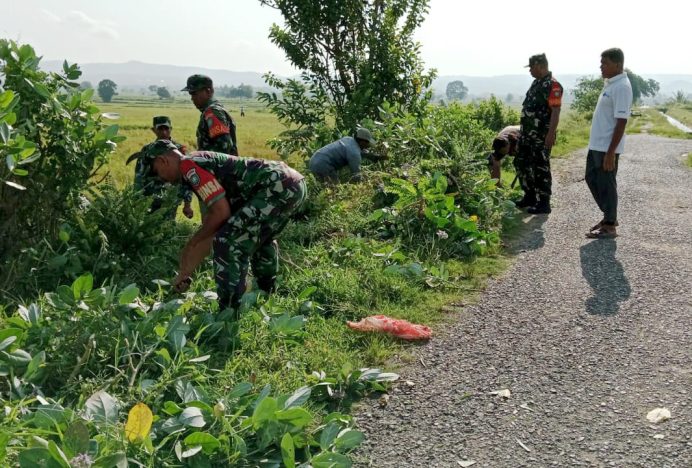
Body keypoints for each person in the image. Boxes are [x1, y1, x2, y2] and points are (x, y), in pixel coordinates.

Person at [138, 140, 307, 314]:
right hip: (292, 183)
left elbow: (220, 213)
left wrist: (193, 241)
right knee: (259, 238)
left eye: (156, 172)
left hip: (276, 186)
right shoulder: (196, 162)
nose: (161, 179)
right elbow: (214, 226)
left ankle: (229, 310)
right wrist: (186, 272)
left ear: (162, 160)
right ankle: (267, 293)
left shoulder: (189, 166)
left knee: (227, 240)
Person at [585, 48, 633, 239]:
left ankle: (610, 224)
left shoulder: (622, 87)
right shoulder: (611, 84)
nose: (601, 66)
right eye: (601, 62)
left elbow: (621, 122)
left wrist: (611, 152)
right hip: (597, 145)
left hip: (607, 147)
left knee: (606, 183)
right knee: (591, 178)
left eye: (605, 63)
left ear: (618, 65)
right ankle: (608, 216)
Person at [515, 53, 563, 214]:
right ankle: (529, 196)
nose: (530, 71)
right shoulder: (536, 83)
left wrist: (551, 134)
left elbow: (555, 111)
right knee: (521, 163)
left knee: (540, 167)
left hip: (541, 136)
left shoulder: (553, 85)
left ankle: (544, 202)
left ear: (541, 66)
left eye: (532, 67)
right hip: (527, 136)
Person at [128, 116, 194, 218]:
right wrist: (136, 200)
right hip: (150, 198)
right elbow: (139, 176)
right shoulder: (148, 150)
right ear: (154, 130)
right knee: (149, 226)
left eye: (166, 128)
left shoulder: (180, 151)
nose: (164, 132)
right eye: (160, 129)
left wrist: (187, 204)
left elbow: (188, 178)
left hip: (171, 197)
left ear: (171, 129)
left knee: (168, 226)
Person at [181, 74, 238, 155]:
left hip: (219, 167)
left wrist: (197, 156)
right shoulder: (213, 110)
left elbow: (224, 147)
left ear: (208, 91)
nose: (192, 98)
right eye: (190, 94)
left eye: (194, 93)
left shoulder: (212, 112)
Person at [308, 128, 384, 182]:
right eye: (368, 143)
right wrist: (367, 182)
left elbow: (361, 152)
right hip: (323, 164)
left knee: (326, 186)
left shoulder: (348, 139)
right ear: (362, 142)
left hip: (314, 159)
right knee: (335, 189)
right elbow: (356, 175)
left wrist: (374, 157)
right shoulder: (354, 153)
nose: (368, 146)